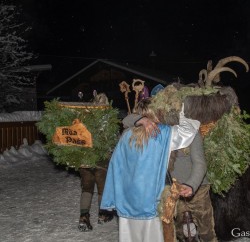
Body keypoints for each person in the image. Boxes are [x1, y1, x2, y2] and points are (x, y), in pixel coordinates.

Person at [100, 98, 200, 242]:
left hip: (127, 201)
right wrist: (181, 109)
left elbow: (115, 168)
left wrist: (113, 196)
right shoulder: (162, 133)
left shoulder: (126, 136)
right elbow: (190, 129)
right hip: (150, 202)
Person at [123, 103, 218, 242]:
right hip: (170, 191)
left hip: (197, 189)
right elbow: (126, 121)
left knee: (206, 231)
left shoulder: (187, 130)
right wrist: (141, 120)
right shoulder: (150, 131)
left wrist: (191, 185)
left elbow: (200, 163)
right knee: (179, 231)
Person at [78, 167, 115, 232]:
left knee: (86, 189)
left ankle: (83, 217)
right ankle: (103, 214)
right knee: (102, 188)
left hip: (84, 161)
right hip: (100, 163)